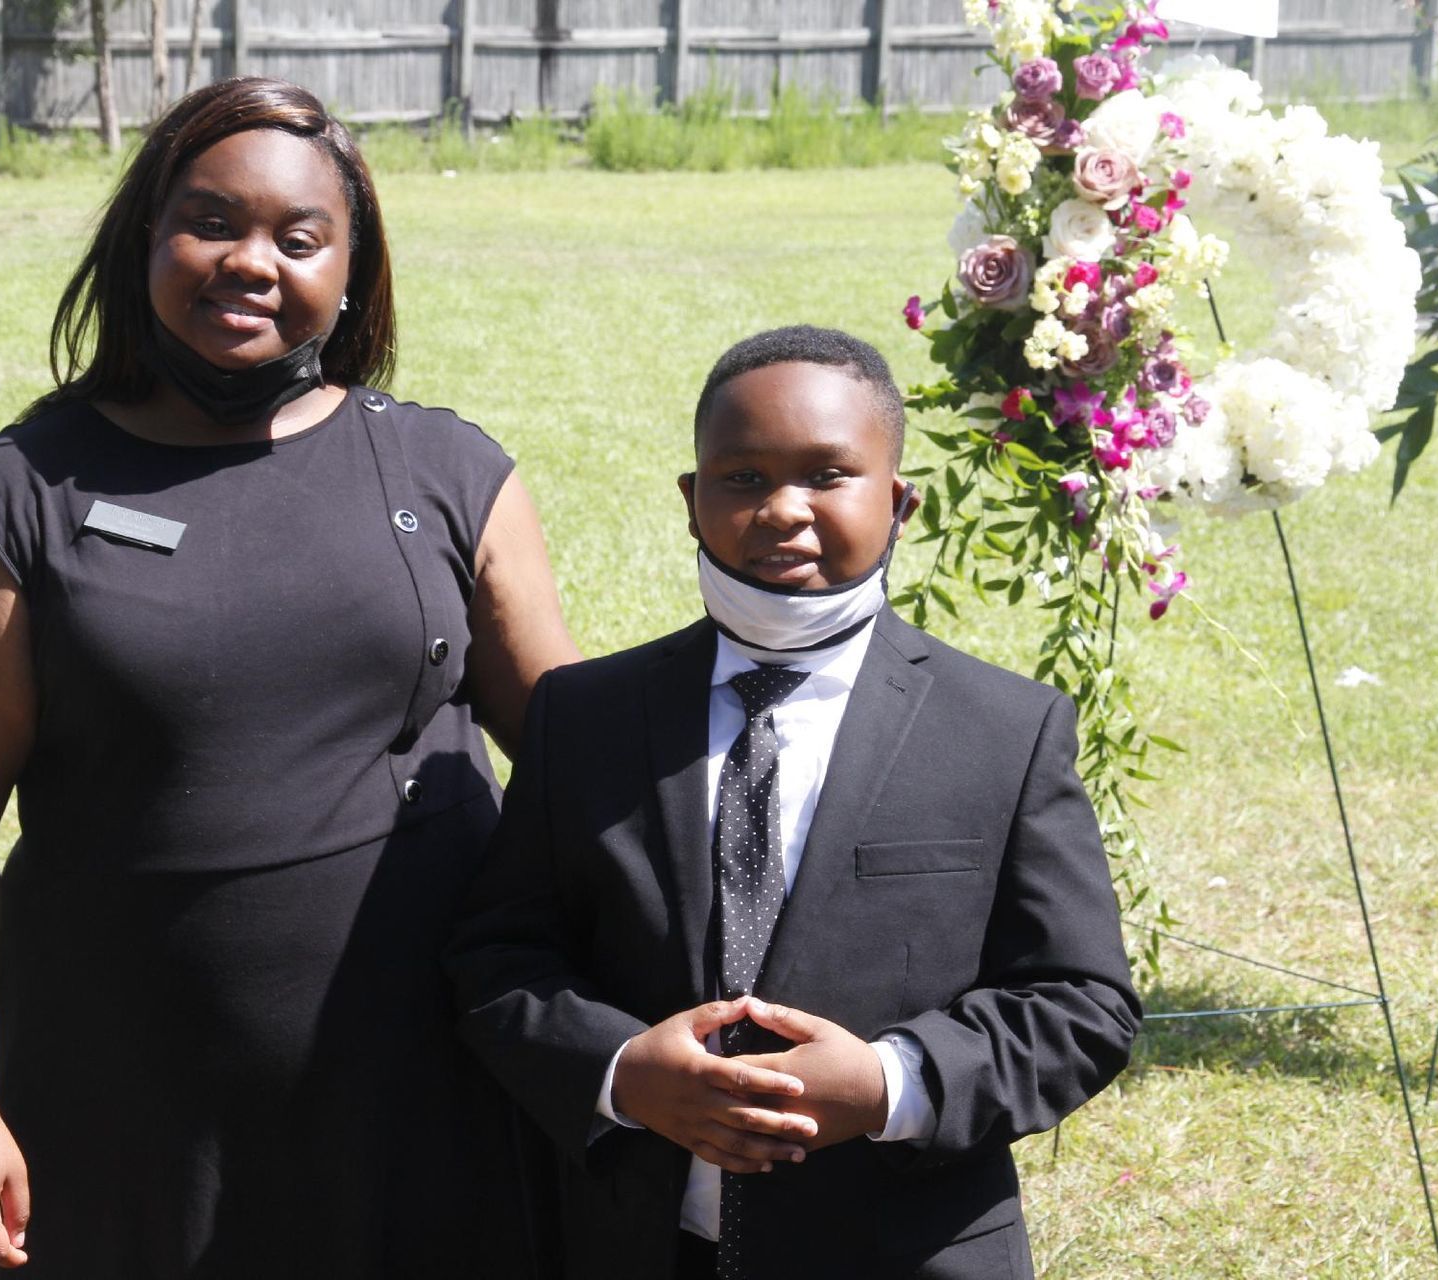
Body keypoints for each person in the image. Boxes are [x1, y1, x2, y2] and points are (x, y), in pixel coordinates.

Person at [0, 77, 578, 1277]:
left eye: (297, 237)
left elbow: (574, 750)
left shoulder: (448, 471)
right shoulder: (14, 502)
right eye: (211, 221)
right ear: (145, 238)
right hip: (120, 1100)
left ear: (351, 270)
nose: (249, 261)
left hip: (429, 1085)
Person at [445, 324, 1140, 1279]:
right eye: (742, 478)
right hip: (640, 1242)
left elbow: (1080, 1002)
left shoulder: (1002, 731)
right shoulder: (587, 717)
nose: (782, 510)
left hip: (905, 1248)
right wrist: (621, 1072)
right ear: (691, 503)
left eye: (826, 475)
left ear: (898, 503)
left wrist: (895, 1082)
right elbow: (499, 956)